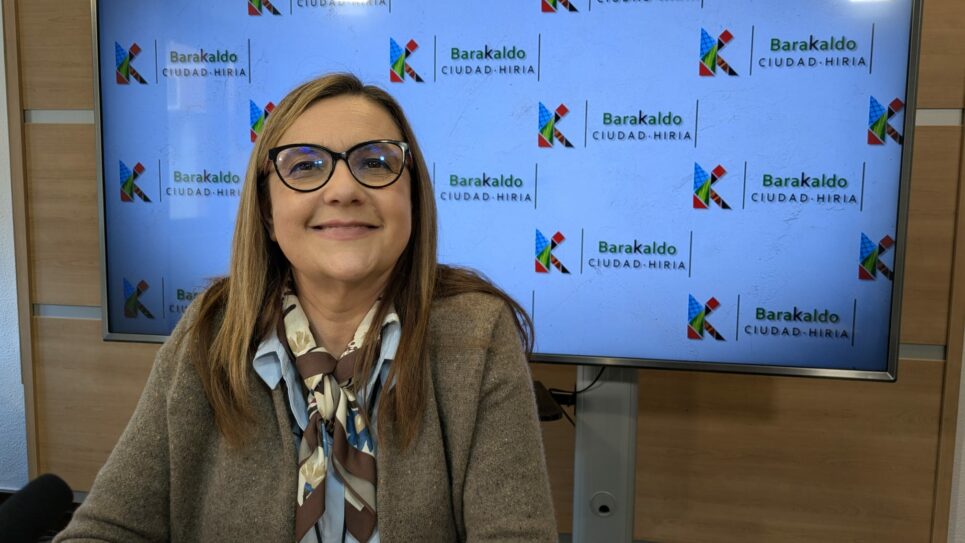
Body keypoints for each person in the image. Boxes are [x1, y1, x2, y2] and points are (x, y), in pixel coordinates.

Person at [55, 73, 556, 542]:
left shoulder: (477, 334)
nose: (343, 190)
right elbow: (105, 531)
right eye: (305, 166)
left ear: (414, 199)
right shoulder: (210, 331)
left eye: (376, 163)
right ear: (267, 212)